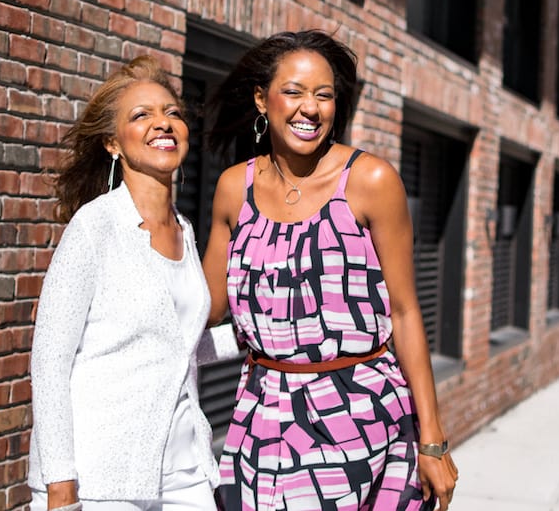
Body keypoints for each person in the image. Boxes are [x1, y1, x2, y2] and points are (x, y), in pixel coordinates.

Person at [202, 30, 459, 510]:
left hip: (360, 415)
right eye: (294, 91)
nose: (311, 108)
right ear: (262, 100)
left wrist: (433, 440)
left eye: (324, 95)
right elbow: (206, 305)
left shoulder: (370, 181)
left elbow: (404, 312)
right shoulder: (234, 187)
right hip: (262, 417)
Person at [28, 55, 225, 511]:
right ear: (113, 143)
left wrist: (261, 339)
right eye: (142, 115)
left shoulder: (185, 231)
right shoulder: (94, 226)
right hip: (102, 479)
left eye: (173, 113)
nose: (164, 123)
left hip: (185, 471)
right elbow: (50, 361)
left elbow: (175, 347)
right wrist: (61, 486)